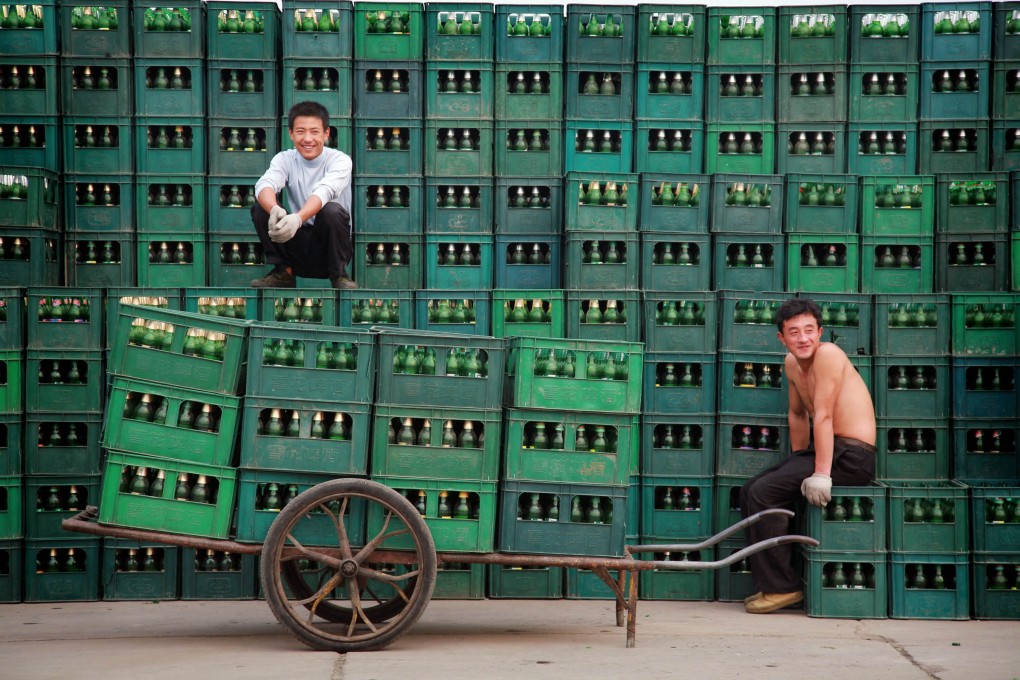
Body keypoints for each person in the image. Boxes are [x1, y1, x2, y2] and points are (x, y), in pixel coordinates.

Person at [739, 297, 876, 614]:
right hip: (827, 448)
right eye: (794, 332)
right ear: (781, 337)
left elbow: (824, 415)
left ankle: (783, 589)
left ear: (820, 332)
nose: (803, 338)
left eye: (809, 330)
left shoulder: (828, 355)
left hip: (852, 454)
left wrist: (821, 475)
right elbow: (798, 415)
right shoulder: (791, 363)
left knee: (763, 492)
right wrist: (797, 462)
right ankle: (773, 585)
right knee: (751, 490)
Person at [250, 101, 357, 289]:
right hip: (295, 244)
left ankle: (339, 275)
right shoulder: (285, 159)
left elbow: (324, 191)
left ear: (326, 133)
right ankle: (284, 272)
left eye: (314, 132)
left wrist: (298, 218)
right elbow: (265, 184)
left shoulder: (340, 160)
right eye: (300, 131)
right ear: (291, 133)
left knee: (331, 210)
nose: (308, 139)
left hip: (330, 248)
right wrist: (274, 209)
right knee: (261, 208)